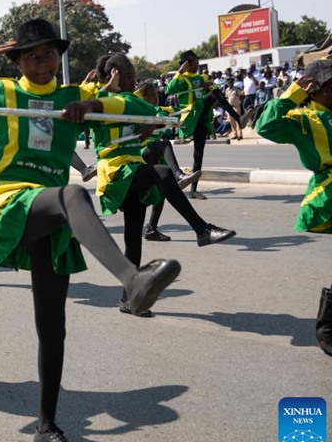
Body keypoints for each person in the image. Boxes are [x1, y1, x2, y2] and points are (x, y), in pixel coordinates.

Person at [0, 19, 183, 442]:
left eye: (47, 53)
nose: (40, 61)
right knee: (75, 193)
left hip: (55, 218)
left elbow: (149, 115)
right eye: (30, 54)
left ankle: (46, 425)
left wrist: (95, 108)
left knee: (52, 324)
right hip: (11, 203)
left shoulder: (74, 96)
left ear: (58, 57)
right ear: (18, 60)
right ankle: (132, 280)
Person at [88, 54, 236, 317]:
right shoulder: (111, 100)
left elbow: (161, 115)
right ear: (115, 75)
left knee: (133, 240)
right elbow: (89, 111)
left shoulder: (129, 100)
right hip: (115, 170)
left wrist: (154, 123)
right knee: (164, 173)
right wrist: (105, 91)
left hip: (132, 165)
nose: (135, 79)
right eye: (129, 74)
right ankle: (201, 229)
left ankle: (128, 299)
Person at [255, 58, 332, 357]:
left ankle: (327, 326)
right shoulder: (303, 120)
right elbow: (266, 125)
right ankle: (326, 328)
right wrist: (291, 95)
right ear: (316, 90)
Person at [133, 81, 203, 242]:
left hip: (153, 155)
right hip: (138, 155)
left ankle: (151, 228)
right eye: (152, 96)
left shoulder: (157, 110)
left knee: (163, 187)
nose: (156, 98)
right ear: (142, 97)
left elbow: (166, 116)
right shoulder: (134, 110)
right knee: (164, 144)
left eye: (157, 95)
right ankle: (179, 175)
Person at [166, 50, 214, 199]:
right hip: (191, 116)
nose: (196, 64)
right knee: (213, 94)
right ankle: (237, 118)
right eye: (193, 62)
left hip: (202, 117)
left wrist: (209, 86)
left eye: (197, 61)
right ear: (185, 64)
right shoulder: (182, 79)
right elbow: (169, 89)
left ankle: (193, 190)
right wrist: (179, 72)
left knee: (198, 154)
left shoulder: (200, 78)